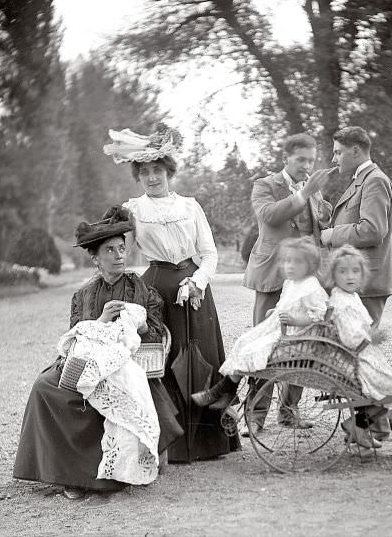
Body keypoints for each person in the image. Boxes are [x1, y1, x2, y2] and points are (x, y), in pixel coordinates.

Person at [13, 206, 183, 499]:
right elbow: (76, 336)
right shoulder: (83, 295)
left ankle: (103, 476)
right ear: (95, 257)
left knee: (106, 387)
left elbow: (156, 334)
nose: (119, 255)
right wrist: (101, 321)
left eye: (122, 248)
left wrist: (136, 326)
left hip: (126, 364)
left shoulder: (143, 291)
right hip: (89, 360)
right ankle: (66, 471)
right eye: (110, 250)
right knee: (45, 385)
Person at [104, 125, 239, 463]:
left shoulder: (191, 207)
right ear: (138, 176)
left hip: (194, 290)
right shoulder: (134, 209)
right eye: (145, 172)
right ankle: (173, 444)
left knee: (203, 357)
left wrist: (197, 282)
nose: (152, 177)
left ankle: (211, 443)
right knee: (164, 359)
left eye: (158, 170)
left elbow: (209, 254)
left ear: (169, 172)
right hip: (158, 289)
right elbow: (124, 252)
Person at [242, 133, 333, 434]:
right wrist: (304, 193)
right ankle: (255, 417)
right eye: (300, 160)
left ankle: (289, 412)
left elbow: (318, 229)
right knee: (263, 344)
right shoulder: (265, 185)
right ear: (286, 158)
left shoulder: (313, 191)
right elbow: (269, 216)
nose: (306, 165)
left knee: (300, 343)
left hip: (303, 281)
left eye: (310, 160)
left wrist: (323, 211)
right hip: (271, 275)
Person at [191, 237, 328, 409]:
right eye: (287, 261)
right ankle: (227, 391)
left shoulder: (311, 287)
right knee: (244, 341)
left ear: (310, 264)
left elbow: (320, 315)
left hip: (298, 341)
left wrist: (296, 320)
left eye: (297, 262)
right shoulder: (291, 283)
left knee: (252, 350)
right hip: (284, 333)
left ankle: (220, 392)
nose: (290, 266)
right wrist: (276, 312)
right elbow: (287, 305)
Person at [320, 126, 392, 328]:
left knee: (359, 346)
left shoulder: (374, 180)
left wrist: (332, 234)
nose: (333, 159)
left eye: (338, 152)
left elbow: (372, 230)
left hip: (367, 281)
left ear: (355, 151)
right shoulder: (363, 179)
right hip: (358, 279)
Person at [326, 245, 392, 450]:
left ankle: (359, 426)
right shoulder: (341, 302)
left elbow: (364, 327)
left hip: (363, 355)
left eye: (355, 271)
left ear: (362, 275)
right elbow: (351, 337)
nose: (349, 277)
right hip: (355, 358)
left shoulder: (351, 297)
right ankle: (357, 425)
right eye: (342, 271)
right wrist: (372, 337)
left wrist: (371, 335)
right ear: (333, 275)